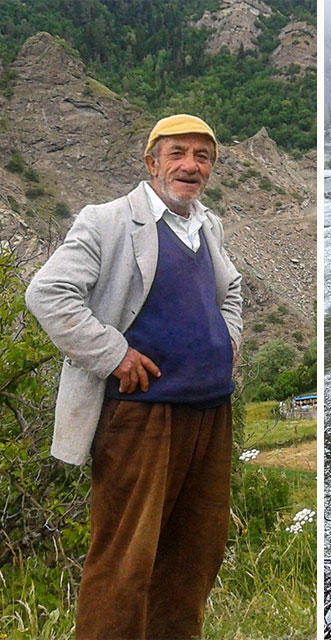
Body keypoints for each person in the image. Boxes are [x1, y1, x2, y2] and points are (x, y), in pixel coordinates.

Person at [25, 114, 242, 639]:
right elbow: (47, 293)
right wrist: (113, 355)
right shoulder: (108, 220)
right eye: (178, 154)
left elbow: (230, 291)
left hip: (211, 412)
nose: (191, 166)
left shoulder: (205, 225)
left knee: (194, 552)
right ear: (152, 162)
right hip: (143, 416)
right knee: (126, 554)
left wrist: (228, 340)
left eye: (202, 156)